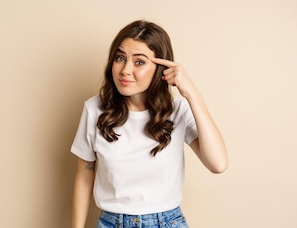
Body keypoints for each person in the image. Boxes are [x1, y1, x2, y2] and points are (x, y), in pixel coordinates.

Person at [71, 20, 228, 228]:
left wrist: (191, 93)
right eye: (120, 58)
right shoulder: (95, 110)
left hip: (166, 222)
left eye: (139, 62)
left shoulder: (178, 111)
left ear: (161, 68)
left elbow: (218, 164)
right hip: (112, 223)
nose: (125, 70)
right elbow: (84, 176)